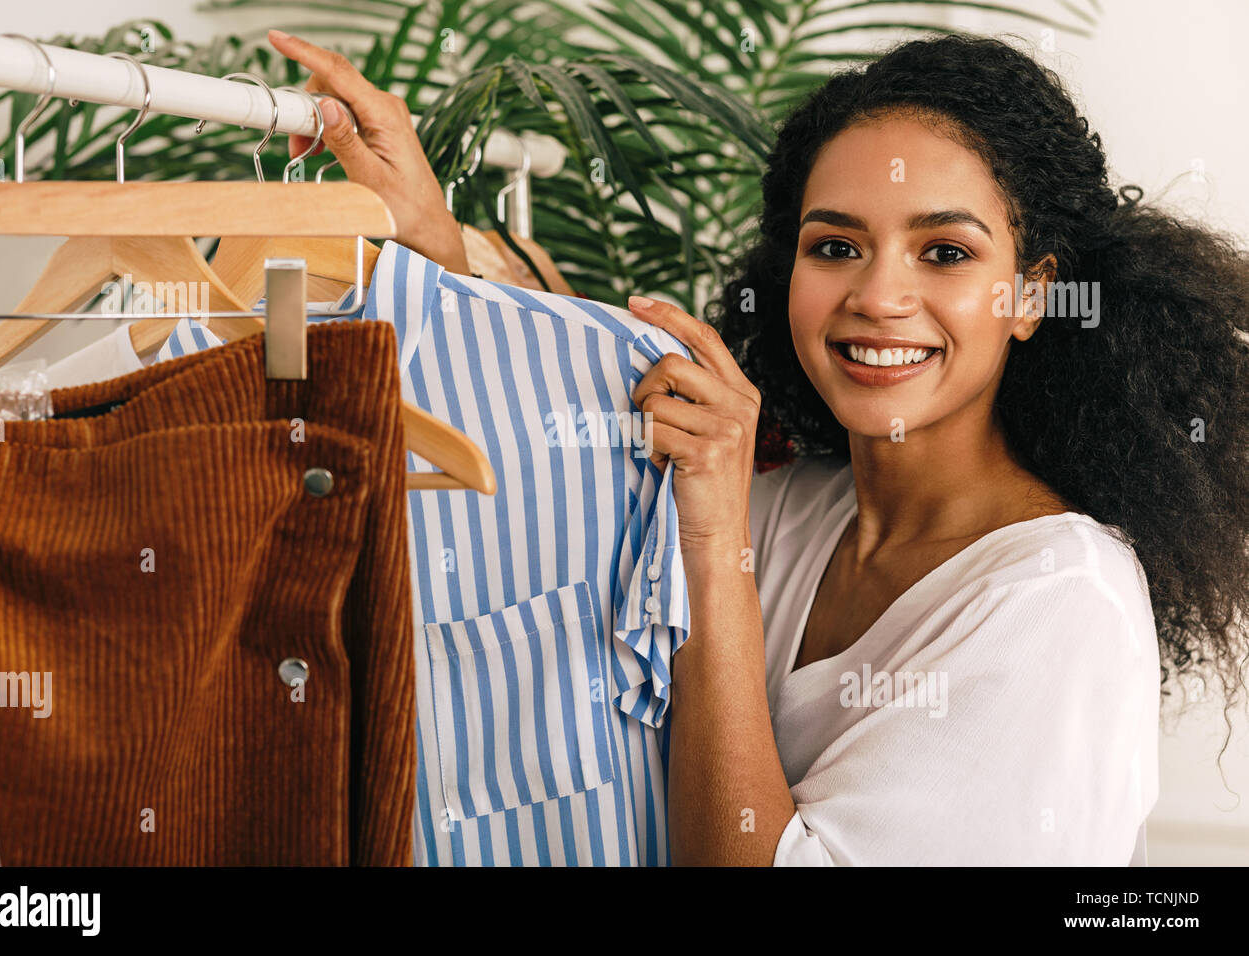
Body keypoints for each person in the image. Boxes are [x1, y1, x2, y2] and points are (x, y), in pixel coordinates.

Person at [271, 29, 1249, 866]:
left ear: (1030, 294)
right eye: (834, 246)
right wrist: (434, 254)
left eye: (944, 252)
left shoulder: (1056, 598)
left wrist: (709, 547)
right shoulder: (790, 502)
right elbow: (550, 461)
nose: (877, 295)